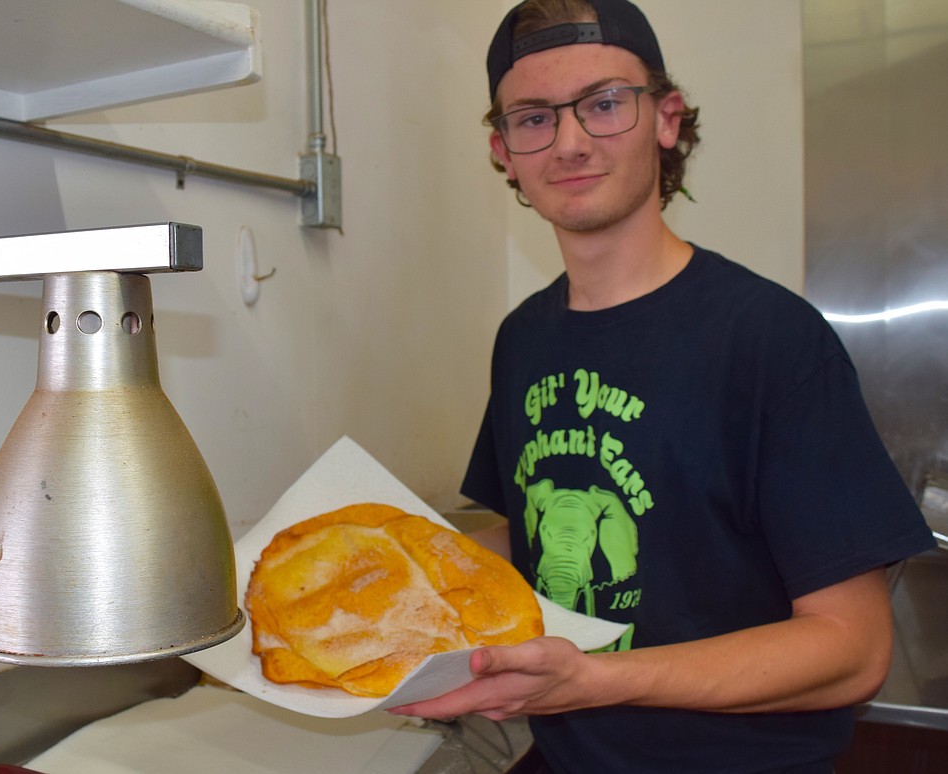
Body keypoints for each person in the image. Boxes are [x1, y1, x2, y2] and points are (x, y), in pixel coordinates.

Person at [387, 1, 936, 771]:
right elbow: (529, 535)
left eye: (605, 104)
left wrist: (596, 680)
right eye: (534, 118)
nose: (571, 141)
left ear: (666, 119)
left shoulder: (772, 339)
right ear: (503, 151)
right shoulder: (523, 338)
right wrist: (393, 575)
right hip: (569, 750)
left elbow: (854, 649)